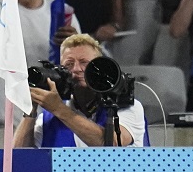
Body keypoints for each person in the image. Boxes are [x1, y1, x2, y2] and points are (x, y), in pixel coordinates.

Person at [13, 33, 148, 147]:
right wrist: (31, 110)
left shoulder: (128, 107)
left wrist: (59, 109)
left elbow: (110, 144)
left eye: (84, 63)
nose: (76, 69)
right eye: (69, 64)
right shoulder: (47, 118)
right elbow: (20, 159)